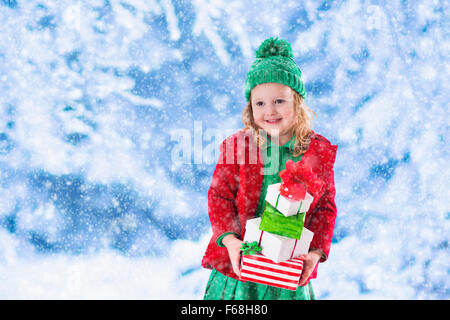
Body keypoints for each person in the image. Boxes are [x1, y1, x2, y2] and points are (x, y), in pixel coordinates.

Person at [201, 37, 338, 300]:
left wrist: (315, 253)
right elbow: (219, 198)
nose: (269, 111)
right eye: (260, 103)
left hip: (288, 274)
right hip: (239, 273)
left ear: (297, 102)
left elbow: (325, 208)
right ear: (250, 108)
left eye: (279, 101)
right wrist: (230, 241)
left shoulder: (316, 153)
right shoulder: (238, 147)